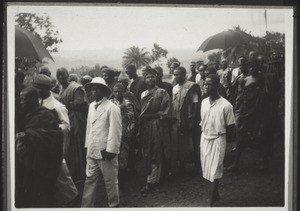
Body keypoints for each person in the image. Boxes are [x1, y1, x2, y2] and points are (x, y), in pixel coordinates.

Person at [32, 74, 79, 206]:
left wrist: (50, 129)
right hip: (39, 147)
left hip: (53, 148)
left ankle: (73, 200)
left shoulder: (57, 106)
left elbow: (66, 126)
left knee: (63, 177)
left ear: (46, 89)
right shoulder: (36, 103)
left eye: (38, 88)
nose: (36, 91)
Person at [15, 87, 63, 208]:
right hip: (28, 163)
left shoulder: (46, 114)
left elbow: (54, 136)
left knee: (42, 197)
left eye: (23, 99)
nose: (21, 102)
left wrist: (28, 135)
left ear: (33, 99)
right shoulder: (27, 113)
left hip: (42, 166)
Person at [82, 77, 122, 207]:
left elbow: (115, 130)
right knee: (90, 179)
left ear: (103, 91)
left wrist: (111, 150)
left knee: (110, 180)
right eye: (92, 89)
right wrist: (88, 145)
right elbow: (90, 127)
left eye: (96, 89)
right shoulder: (91, 106)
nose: (93, 91)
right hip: (93, 148)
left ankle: (114, 204)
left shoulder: (112, 108)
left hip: (105, 150)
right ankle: (86, 206)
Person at [226, 61, 270, 173]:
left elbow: (267, 94)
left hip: (258, 111)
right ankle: (235, 164)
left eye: (254, 66)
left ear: (258, 67)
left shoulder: (262, 78)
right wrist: (228, 79)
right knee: (241, 137)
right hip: (246, 110)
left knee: (260, 137)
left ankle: (264, 162)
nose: (252, 69)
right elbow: (234, 91)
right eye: (250, 67)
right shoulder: (243, 79)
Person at [199, 74, 235, 206]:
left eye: (209, 84)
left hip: (218, 139)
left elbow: (231, 127)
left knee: (215, 168)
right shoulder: (203, 103)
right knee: (207, 168)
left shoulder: (226, 106)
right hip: (205, 138)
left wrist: (226, 146)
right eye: (205, 84)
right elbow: (203, 121)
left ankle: (211, 198)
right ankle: (216, 193)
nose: (206, 86)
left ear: (217, 86)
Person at [139, 68, 171, 194]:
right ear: (145, 80)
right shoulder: (143, 94)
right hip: (146, 126)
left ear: (156, 78)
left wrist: (154, 115)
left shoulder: (162, 92)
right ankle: (154, 178)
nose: (151, 79)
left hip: (158, 125)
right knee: (147, 150)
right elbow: (142, 112)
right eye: (148, 77)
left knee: (156, 150)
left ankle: (152, 181)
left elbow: (166, 111)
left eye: (152, 76)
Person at [56, 68, 89, 185]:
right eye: (58, 76)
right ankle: (73, 174)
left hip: (76, 121)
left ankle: (81, 175)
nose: (60, 78)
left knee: (77, 148)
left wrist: (67, 105)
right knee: (69, 148)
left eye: (62, 75)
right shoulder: (61, 88)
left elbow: (81, 104)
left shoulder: (76, 87)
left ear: (67, 76)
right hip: (66, 119)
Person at [171, 66, 201, 175]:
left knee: (192, 142)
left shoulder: (191, 86)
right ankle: (182, 165)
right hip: (178, 119)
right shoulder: (174, 88)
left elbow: (195, 105)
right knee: (179, 142)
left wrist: (192, 121)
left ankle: (197, 166)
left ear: (184, 75)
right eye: (174, 74)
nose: (175, 76)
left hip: (188, 119)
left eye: (178, 74)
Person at [110, 83, 136, 192]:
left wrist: (127, 135)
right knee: (113, 159)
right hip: (113, 133)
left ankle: (122, 183)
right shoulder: (110, 103)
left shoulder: (128, 104)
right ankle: (114, 183)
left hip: (124, 135)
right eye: (115, 91)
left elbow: (132, 120)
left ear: (123, 92)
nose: (117, 94)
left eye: (119, 91)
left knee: (123, 159)